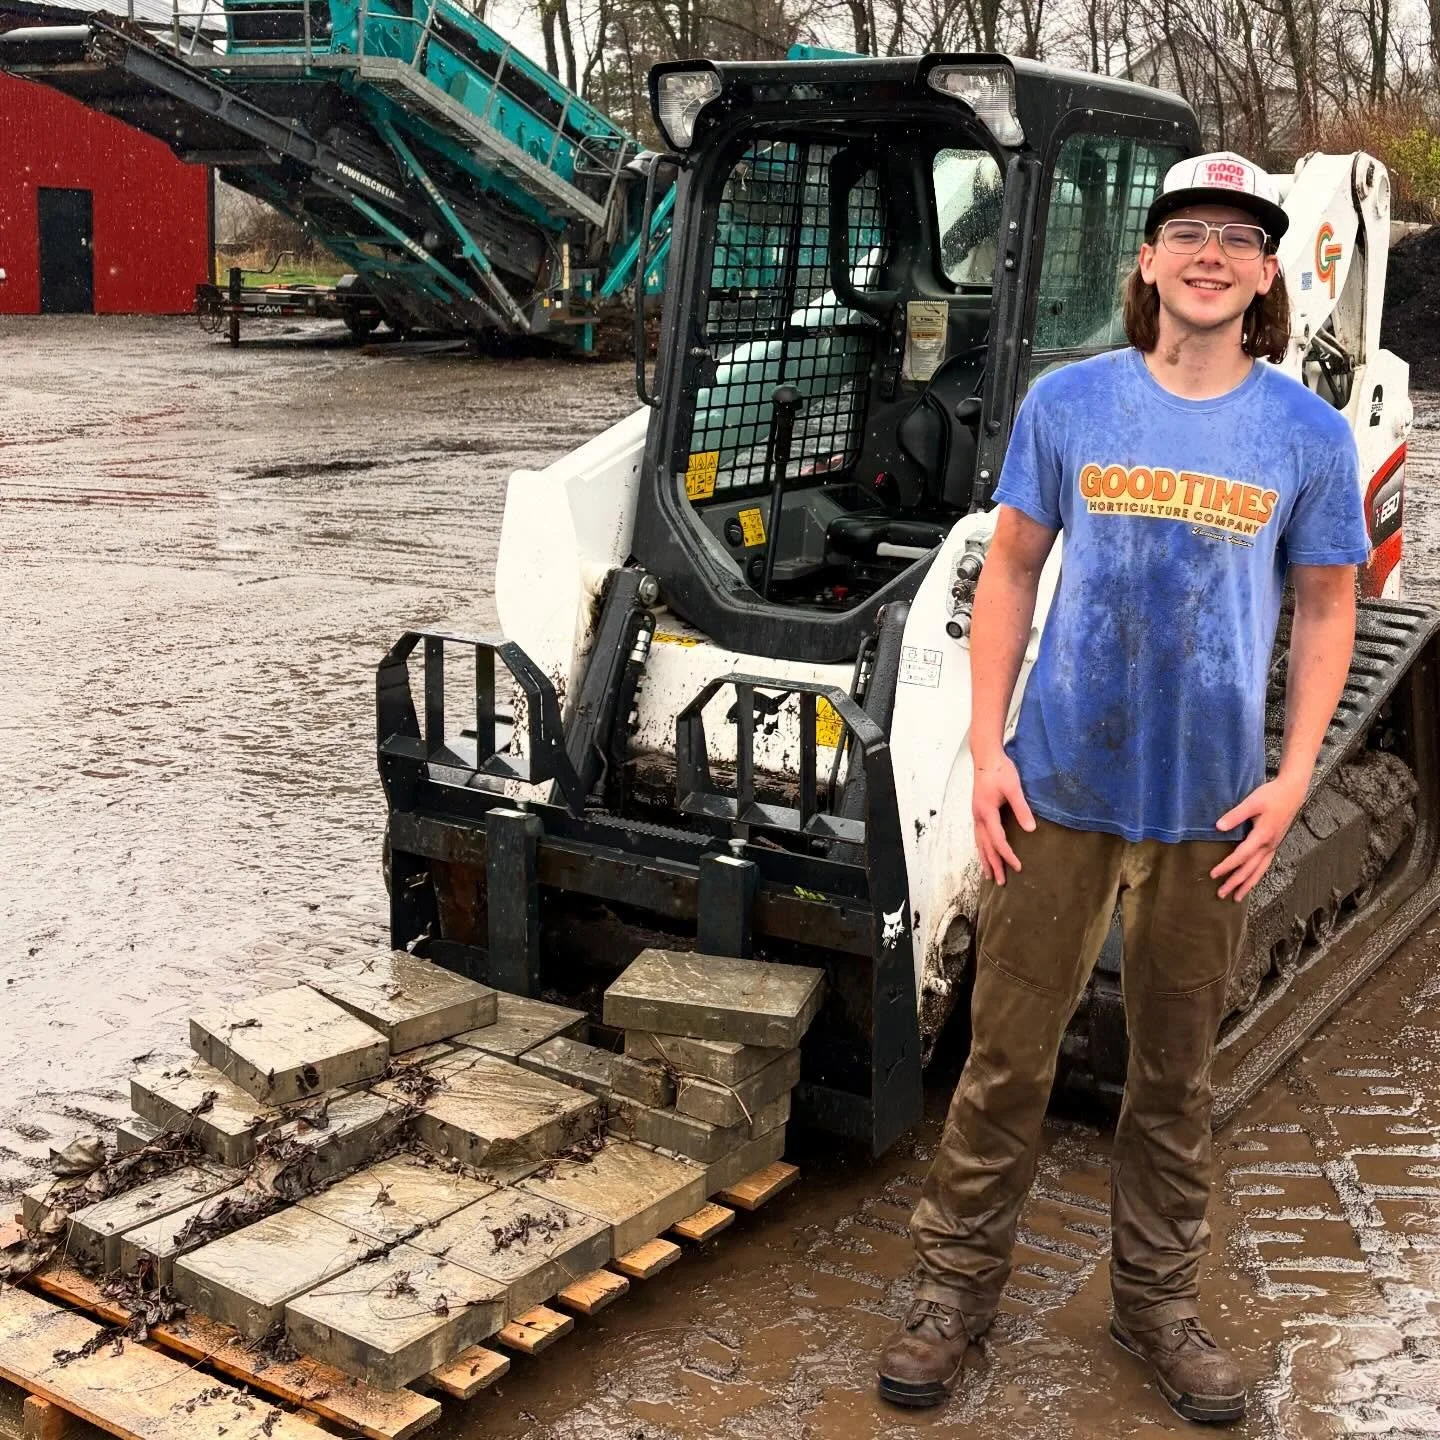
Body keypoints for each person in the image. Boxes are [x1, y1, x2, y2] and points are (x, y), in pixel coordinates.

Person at [876, 152, 1372, 1424]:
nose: (1213, 253)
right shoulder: (1070, 404)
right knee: (1005, 1061)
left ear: (1267, 276)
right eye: (1187, 233)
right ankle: (954, 1296)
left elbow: (1326, 608)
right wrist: (986, 750)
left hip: (1211, 814)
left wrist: (1296, 772)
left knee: (1173, 1079)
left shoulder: (1306, 435)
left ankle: (1155, 1304)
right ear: (1147, 264)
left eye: (1240, 239)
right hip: (1056, 795)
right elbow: (1008, 576)